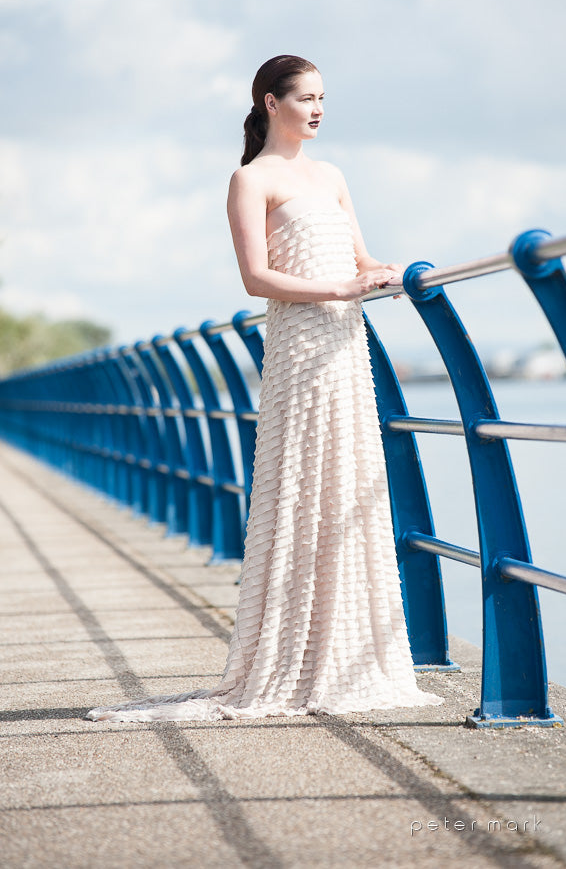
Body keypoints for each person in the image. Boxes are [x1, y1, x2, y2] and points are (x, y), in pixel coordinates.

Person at [86, 55, 442, 722]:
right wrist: (340, 287)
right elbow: (256, 278)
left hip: (345, 348)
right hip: (301, 353)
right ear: (270, 103)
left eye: (323, 98)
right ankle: (299, 658)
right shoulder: (249, 180)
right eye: (306, 98)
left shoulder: (331, 175)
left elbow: (360, 259)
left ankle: (352, 652)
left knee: (349, 486)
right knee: (304, 488)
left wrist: (388, 273)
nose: (318, 109)